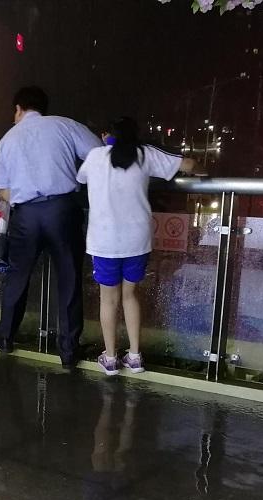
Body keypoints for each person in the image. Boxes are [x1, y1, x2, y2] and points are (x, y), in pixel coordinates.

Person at [0, 86, 101, 367]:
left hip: (26, 215)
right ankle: (68, 350)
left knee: (17, 276)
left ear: (19, 109)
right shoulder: (65, 125)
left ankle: (4, 337)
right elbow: (99, 154)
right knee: (69, 278)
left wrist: (22, 197)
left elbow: (2, 188)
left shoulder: (8, 138)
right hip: (62, 210)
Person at [76, 117, 194, 376]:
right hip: (136, 240)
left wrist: (106, 146)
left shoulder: (96, 156)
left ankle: (110, 359)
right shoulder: (144, 154)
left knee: (108, 299)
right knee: (130, 295)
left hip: (105, 240)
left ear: (107, 136)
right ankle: (135, 356)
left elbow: (81, 178)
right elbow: (187, 164)